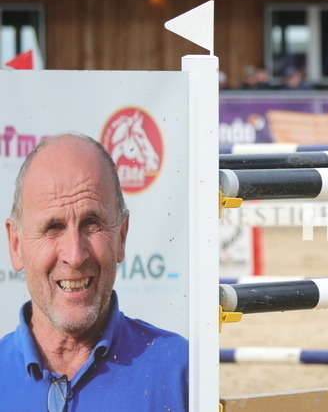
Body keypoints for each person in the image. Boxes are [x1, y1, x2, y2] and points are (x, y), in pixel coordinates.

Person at [1, 134, 188, 410]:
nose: (75, 255)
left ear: (121, 237)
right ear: (16, 245)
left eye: (92, 223)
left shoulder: (181, 371)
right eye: (53, 227)